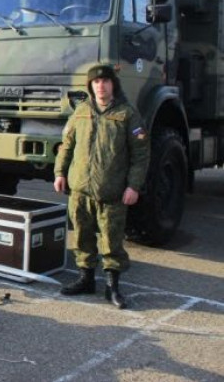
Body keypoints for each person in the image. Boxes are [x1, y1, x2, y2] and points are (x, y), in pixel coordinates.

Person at [53, 64, 150, 309]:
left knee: (112, 240)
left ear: (113, 84)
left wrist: (134, 186)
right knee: (82, 236)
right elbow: (66, 145)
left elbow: (141, 154)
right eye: (96, 82)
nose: (101, 86)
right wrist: (59, 173)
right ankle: (85, 279)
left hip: (112, 190)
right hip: (80, 188)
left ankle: (112, 287)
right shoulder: (81, 111)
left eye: (106, 81)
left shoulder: (127, 114)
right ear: (90, 86)